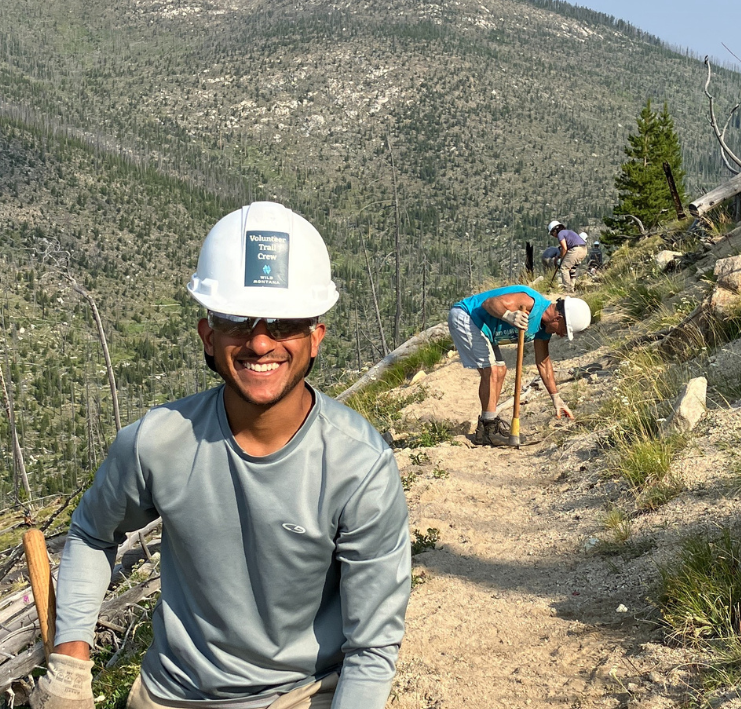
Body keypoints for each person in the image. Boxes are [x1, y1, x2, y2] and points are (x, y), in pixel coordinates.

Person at [32, 202, 410, 709]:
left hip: (298, 695)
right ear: (207, 335)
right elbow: (94, 532)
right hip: (170, 696)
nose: (259, 341)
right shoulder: (156, 442)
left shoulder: (359, 467)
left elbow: (371, 649)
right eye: (236, 319)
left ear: (315, 337)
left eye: (284, 322)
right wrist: (70, 666)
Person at [446, 285, 592, 446]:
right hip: (467, 317)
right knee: (492, 371)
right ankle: (489, 428)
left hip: (485, 330)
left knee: (500, 371)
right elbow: (489, 303)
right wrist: (508, 315)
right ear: (558, 318)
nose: (562, 335)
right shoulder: (529, 301)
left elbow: (543, 362)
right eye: (565, 331)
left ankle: (487, 427)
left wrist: (556, 397)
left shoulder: (544, 329)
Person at [548, 220, 589, 294]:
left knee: (564, 268)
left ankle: (567, 290)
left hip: (576, 250)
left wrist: (559, 257)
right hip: (584, 250)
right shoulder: (568, 232)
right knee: (572, 269)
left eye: (552, 233)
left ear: (555, 230)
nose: (553, 235)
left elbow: (564, 248)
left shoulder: (560, 234)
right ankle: (571, 288)